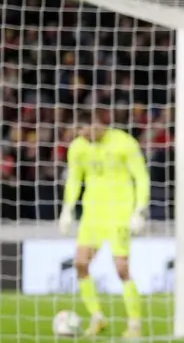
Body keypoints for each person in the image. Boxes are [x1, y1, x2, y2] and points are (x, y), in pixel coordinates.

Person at [58, 110, 150, 337]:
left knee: (121, 268)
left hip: (119, 212)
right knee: (80, 263)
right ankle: (97, 318)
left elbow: (141, 176)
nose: (83, 136)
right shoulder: (78, 147)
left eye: (86, 130)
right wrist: (67, 209)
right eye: (79, 132)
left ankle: (135, 324)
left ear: (98, 124)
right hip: (92, 214)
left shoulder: (124, 142)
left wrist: (139, 210)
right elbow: (74, 179)